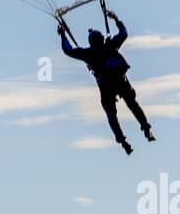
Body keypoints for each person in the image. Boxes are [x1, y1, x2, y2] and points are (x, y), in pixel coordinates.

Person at [58, 9, 154, 155]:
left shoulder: (87, 54)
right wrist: (115, 18)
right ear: (102, 38)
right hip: (120, 82)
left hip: (106, 88)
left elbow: (68, 50)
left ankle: (123, 141)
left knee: (111, 116)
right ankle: (147, 129)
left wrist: (63, 34)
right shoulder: (111, 45)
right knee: (133, 105)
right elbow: (124, 33)